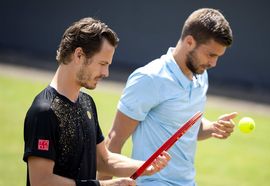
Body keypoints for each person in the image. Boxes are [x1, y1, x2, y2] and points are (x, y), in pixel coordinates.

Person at [23, 17, 171, 186]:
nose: (106, 72)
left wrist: (145, 166)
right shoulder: (45, 111)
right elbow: (41, 181)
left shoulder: (86, 102)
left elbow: (103, 160)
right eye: (102, 63)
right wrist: (104, 185)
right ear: (79, 55)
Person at [103, 8, 237, 185]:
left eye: (218, 56)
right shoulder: (150, 78)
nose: (213, 63)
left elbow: (186, 127)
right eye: (211, 54)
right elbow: (115, 139)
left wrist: (212, 127)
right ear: (189, 42)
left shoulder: (201, 75)